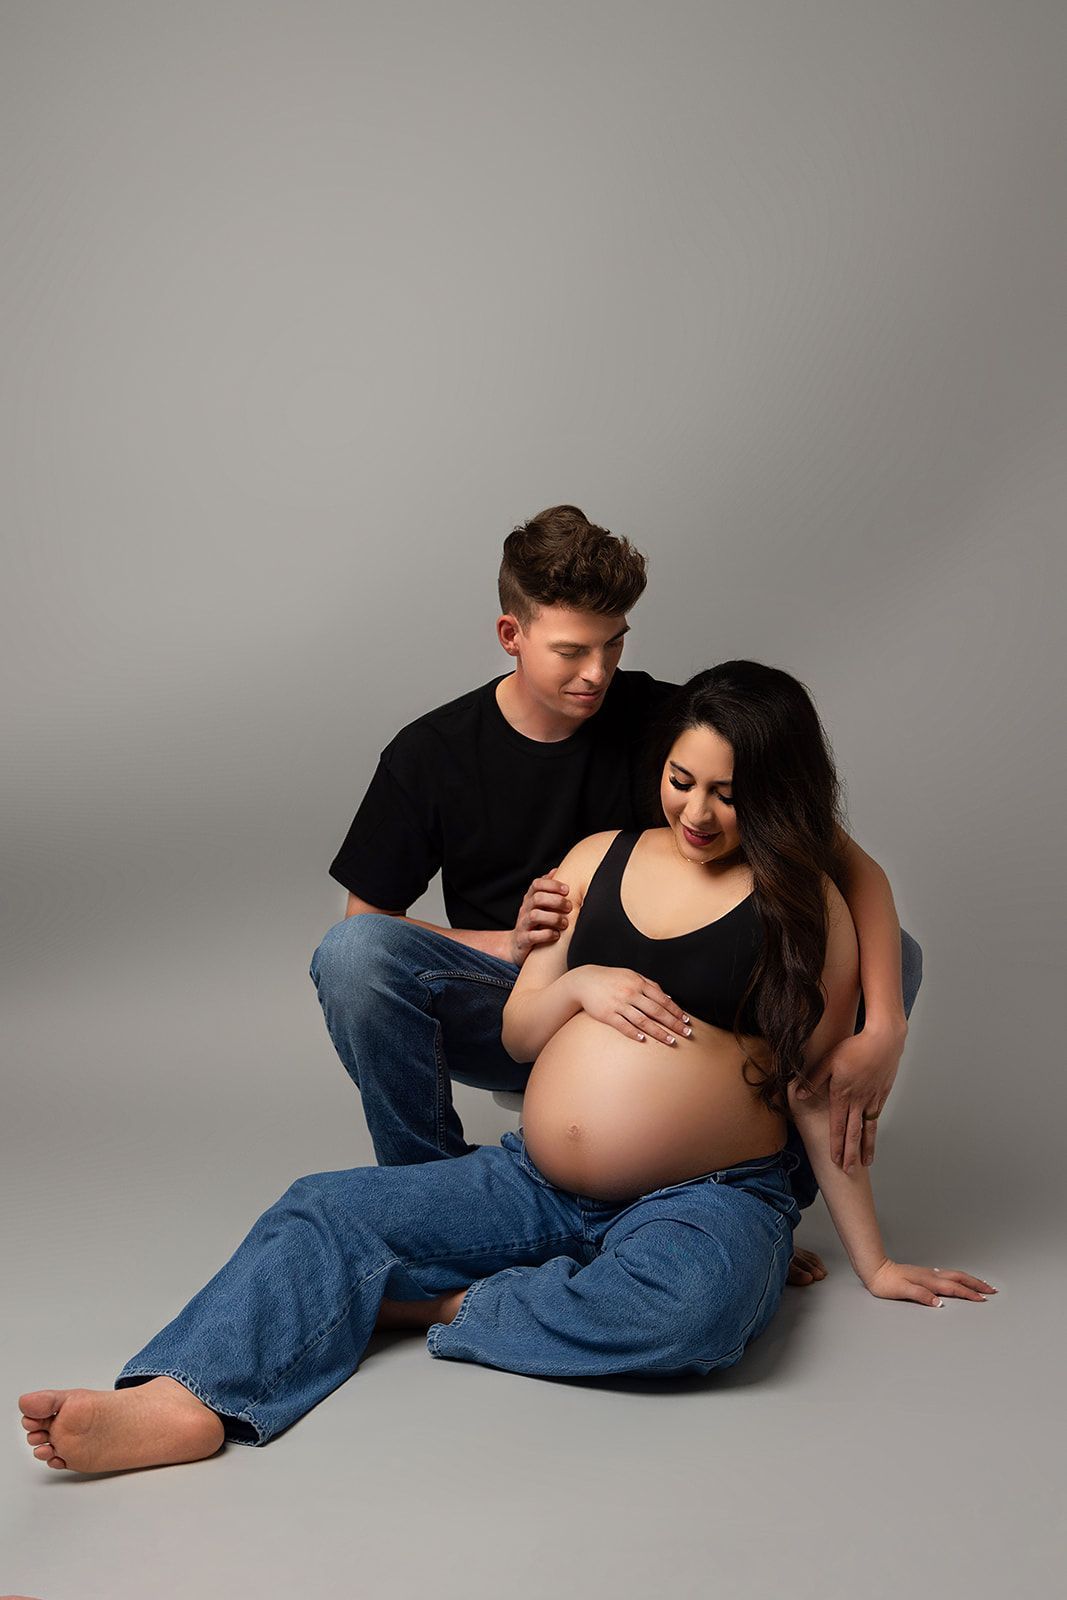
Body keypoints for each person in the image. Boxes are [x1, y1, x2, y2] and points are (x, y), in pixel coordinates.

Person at [18, 662, 990, 1475]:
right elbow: (522, 1031)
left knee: (693, 1311)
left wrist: (873, 1257)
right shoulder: (595, 856)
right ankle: (186, 1396)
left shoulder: (800, 908)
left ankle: (445, 1304)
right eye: (681, 780)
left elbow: (817, 1098)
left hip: (705, 1194)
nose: (695, 809)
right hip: (536, 1179)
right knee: (323, 1206)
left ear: (770, 793)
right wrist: (580, 985)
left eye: (726, 792)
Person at [313, 504, 921, 1283]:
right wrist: (515, 948)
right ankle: (430, 1203)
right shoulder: (431, 754)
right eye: (571, 651)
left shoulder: (663, 723)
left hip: (680, 995)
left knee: (886, 955)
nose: (595, 673)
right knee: (354, 955)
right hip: (517, 993)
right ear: (512, 636)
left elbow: (846, 862)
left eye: (614, 645)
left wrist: (887, 1027)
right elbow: (372, 922)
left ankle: (758, 1199)